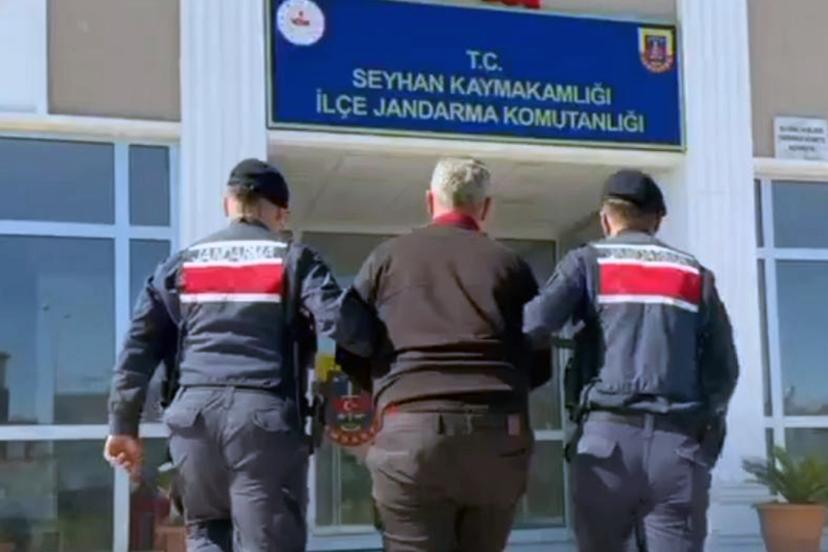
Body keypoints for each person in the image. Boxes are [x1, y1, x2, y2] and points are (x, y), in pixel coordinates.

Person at [103, 159, 378, 552]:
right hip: (263, 423)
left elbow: (138, 346)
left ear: (227, 203)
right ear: (281, 214)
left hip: (193, 423)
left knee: (205, 535)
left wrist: (122, 425)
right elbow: (342, 325)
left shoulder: (181, 264)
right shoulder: (293, 259)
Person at [523, 169, 739, 552]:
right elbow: (725, 368)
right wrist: (702, 441)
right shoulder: (694, 274)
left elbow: (533, 324)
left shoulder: (586, 263)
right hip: (677, 447)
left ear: (606, 218)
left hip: (605, 445)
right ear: (658, 220)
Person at [343, 157, 551, 552]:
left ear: (429, 200)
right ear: (485, 208)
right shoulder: (511, 265)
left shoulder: (387, 259)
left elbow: (350, 343)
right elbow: (540, 362)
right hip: (498, 436)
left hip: (410, 433)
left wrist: (388, 393)